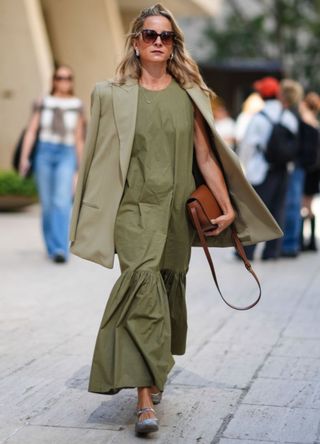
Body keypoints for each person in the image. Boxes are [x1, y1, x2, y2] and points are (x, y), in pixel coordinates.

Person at [70, 4, 282, 436]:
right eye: (149, 34)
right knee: (142, 285)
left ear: (174, 45)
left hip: (175, 212)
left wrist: (226, 207)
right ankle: (145, 398)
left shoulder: (190, 95)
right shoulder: (111, 95)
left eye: (166, 36)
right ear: (135, 42)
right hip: (133, 210)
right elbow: (97, 160)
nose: (158, 42)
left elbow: (205, 157)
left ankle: (152, 366)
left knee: (165, 291)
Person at [19, 65, 86, 263]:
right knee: (47, 204)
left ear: (72, 81)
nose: (63, 81)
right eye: (59, 77)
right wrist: (24, 158)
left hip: (66, 154)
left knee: (61, 201)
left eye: (67, 78)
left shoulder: (77, 104)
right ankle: (50, 245)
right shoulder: (43, 102)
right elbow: (31, 131)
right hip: (44, 153)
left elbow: (79, 138)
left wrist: (79, 168)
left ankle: (60, 249)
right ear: (54, 80)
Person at [238, 77, 299, 260]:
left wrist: (242, 170)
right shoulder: (288, 116)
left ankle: (247, 251)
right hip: (283, 170)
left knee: (255, 212)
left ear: (262, 95)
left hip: (260, 170)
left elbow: (247, 147)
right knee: (277, 211)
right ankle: (271, 252)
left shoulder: (258, 118)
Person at [280, 80, 305, 257]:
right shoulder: (300, 114)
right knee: (293, 205)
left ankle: (289, 244)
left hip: (292, 165)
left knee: (291, 204)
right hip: (299, 165)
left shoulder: (289, 115)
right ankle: (291, 242)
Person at [300, 92, 320, 251]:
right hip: (315, 169)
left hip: (306, 169)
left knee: (303, 205)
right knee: (309, 205)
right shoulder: (316, 124)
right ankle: (311, 241)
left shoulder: (305, 124)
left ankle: (302, 240)